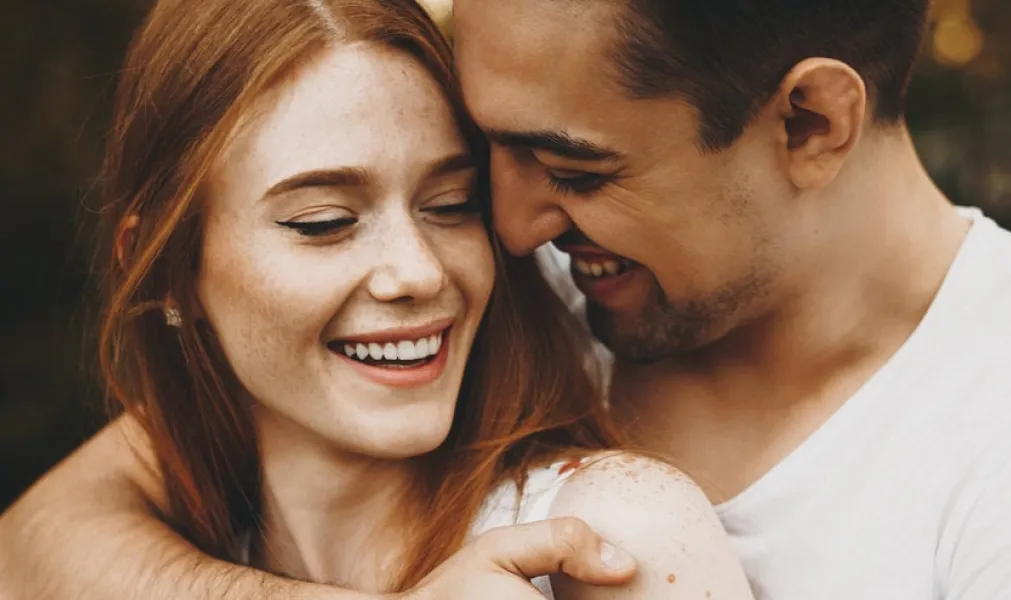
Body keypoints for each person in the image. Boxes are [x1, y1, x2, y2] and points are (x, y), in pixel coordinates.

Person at [4, 0, 1011, 598]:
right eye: (487, 165)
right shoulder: (510, 295)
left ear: (809, 122)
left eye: (575, 169)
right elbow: (54, 530)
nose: (508, 231)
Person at [0, 0, 756, 599]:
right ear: (168, 269)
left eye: (452, 204)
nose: (419, 273)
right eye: (324, 223)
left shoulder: (605, 534)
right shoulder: (162, 544)